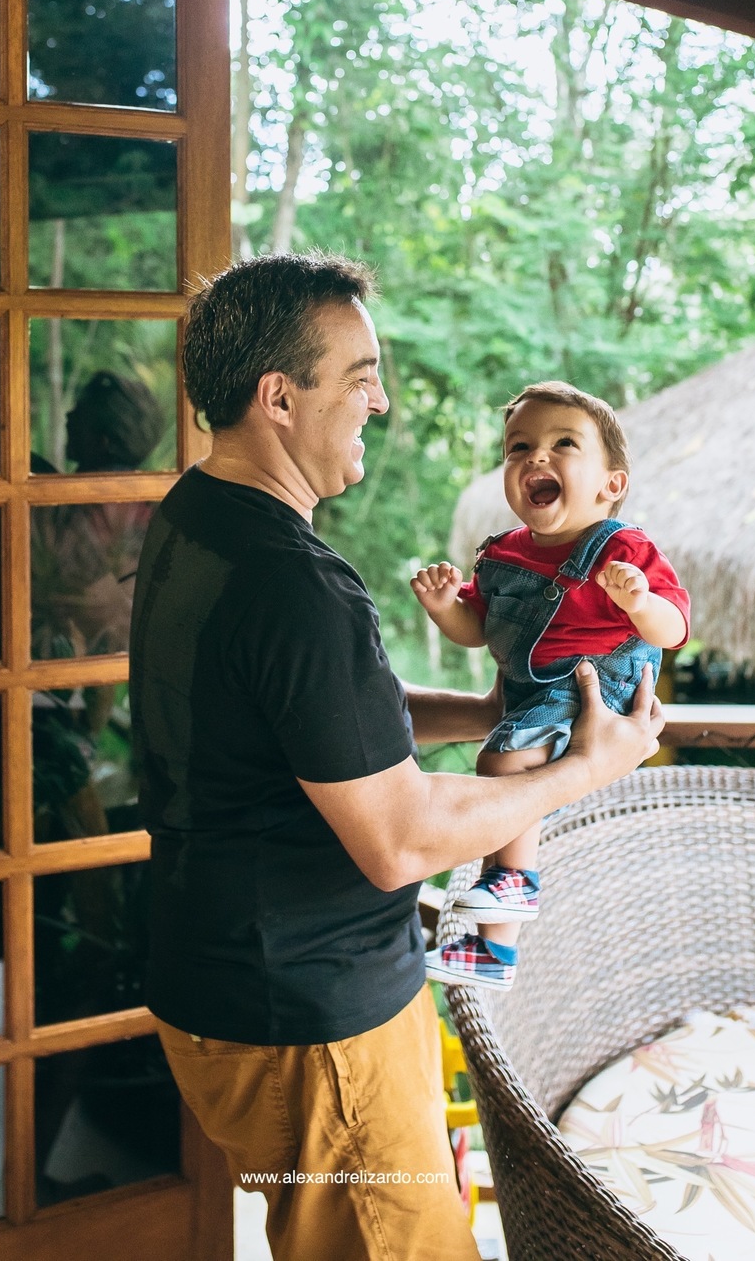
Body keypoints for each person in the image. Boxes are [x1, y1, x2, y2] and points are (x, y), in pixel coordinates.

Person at [129, 256, 665, 1261]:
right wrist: (590, 766)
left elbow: (313, 719)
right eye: (361, 373)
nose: (382, 397)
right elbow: (398, 838)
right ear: (279, 397)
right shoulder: (294, 585)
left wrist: (480, 708)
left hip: (220, 989)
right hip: (314, 1027)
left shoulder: (195, 519)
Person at [412, 381, 689, 992]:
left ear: (609, 485)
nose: (536, 457)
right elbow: (478, 629)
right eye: (519, 447)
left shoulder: (623, 548)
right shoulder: (504, 554)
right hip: (532, 693)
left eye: (564, 443)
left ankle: (513, 883)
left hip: (596, 689)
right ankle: (496, 951)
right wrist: (442, 608)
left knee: (502, 762)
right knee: (505, 776)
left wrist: (639, 603)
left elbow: (673, 629)